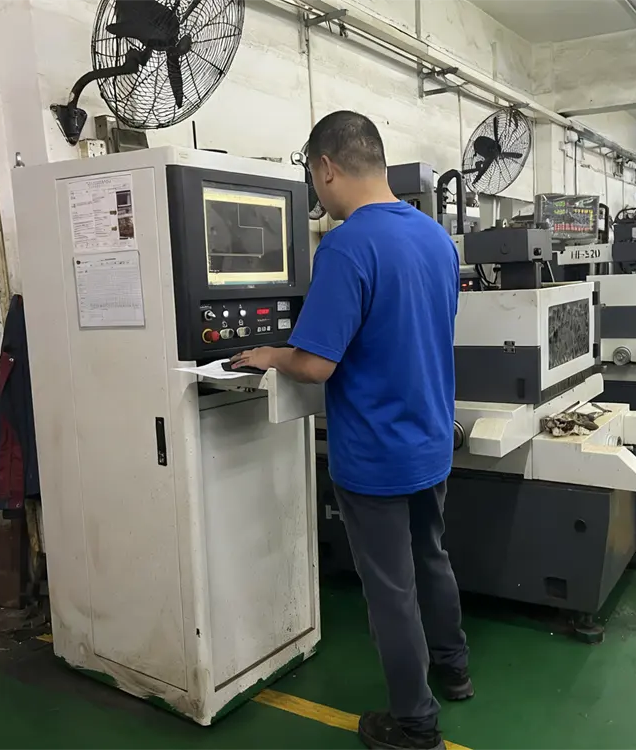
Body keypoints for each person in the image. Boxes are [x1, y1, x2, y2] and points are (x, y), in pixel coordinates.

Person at [230, 111, 471, 750]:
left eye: (315, 179)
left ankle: (415, 726)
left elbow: (315, 364)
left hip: (375, 454)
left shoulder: (345, 246)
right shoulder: (435, 237)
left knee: (390, 590)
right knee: (432, 558)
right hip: (428, 439)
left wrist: (270, 355)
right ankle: (455, 669)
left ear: (327, 168)